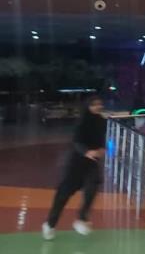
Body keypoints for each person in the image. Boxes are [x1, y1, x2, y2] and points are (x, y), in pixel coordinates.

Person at [42, 94, 107, 240]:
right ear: (88, 106)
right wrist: (86, 152)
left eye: (99, 104)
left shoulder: (101, 121)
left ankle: (82, 219)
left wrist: (102, 149)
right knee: (64, 194)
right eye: (94, 104)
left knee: (92, 187)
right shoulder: (81, 122)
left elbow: (102, 140)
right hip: (76, 163)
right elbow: (76, 141)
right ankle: (50, 224)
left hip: (92, 162)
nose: (98, 107)